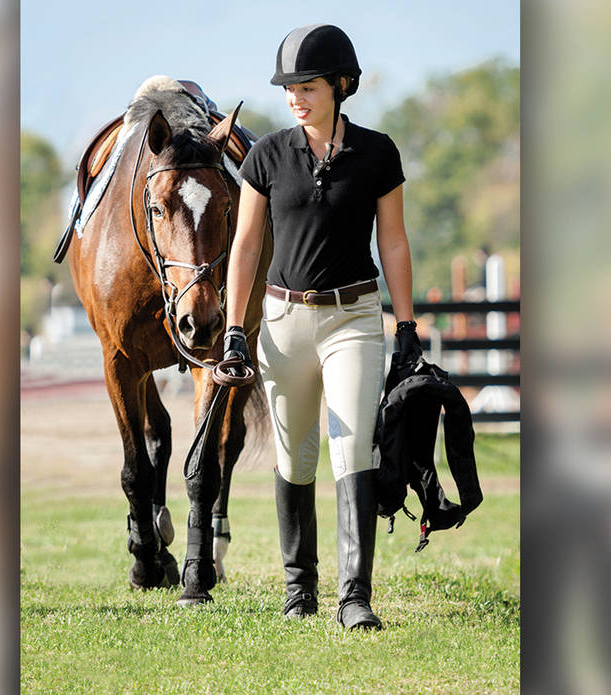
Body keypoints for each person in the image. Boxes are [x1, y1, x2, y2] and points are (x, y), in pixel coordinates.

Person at [223, 23, 423, 630]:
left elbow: (392, 240)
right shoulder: (267, 155)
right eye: (289, 88)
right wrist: (236, 326)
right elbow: (247, 244)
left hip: (353, 318)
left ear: (340, 84)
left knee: (352, 444)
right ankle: (298, 586)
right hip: (283, 322)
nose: (295, 98)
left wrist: (407, 323)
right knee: (296, 454)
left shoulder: (378, 153)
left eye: (307, 86)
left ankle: (354, 594)